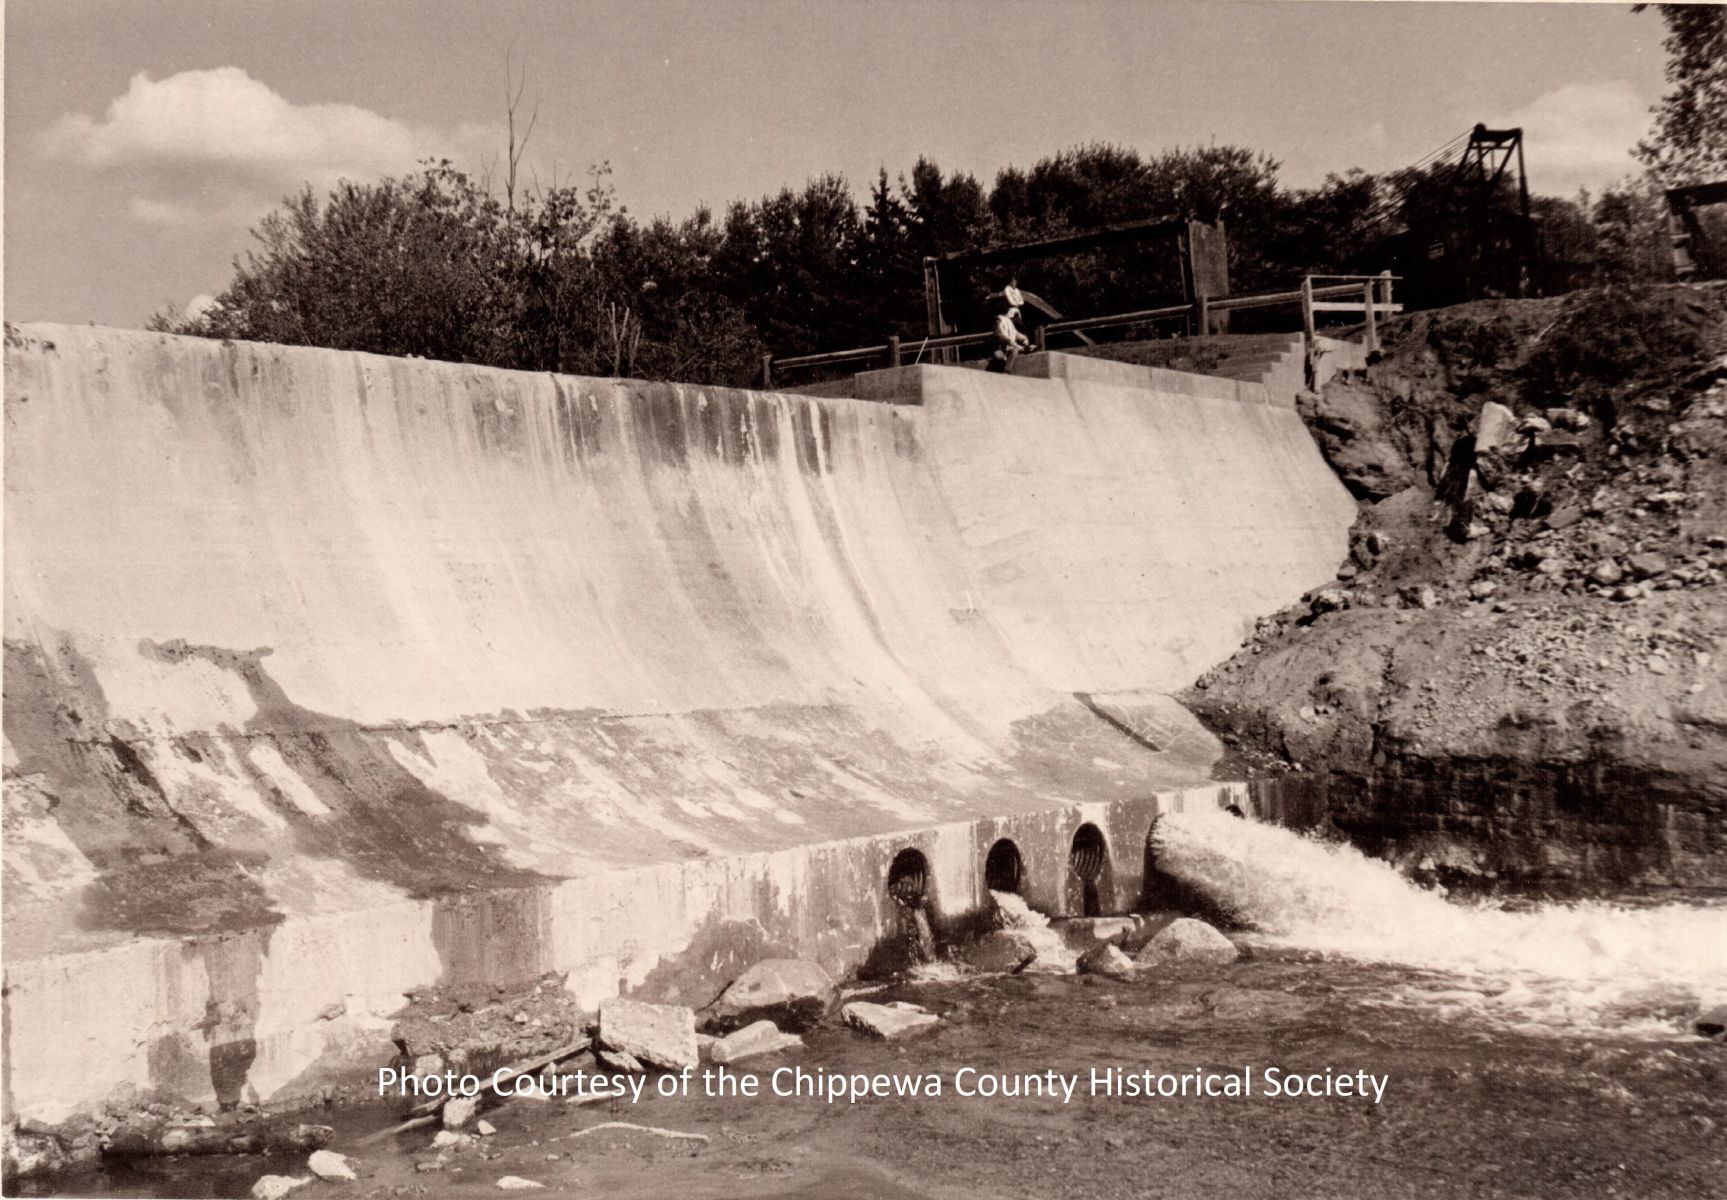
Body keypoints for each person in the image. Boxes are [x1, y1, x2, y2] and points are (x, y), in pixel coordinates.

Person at [989, 305, 1031, 373]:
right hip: (1000, 348)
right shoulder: (998, 320)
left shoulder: (1008, 320)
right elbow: (1000, 336)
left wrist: (1024, 338)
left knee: (1016, 350)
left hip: (1010, 348)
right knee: (998, 356)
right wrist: (1011, 342)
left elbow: (1015, 332)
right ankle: (1002, 370)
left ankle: (1007, 370)